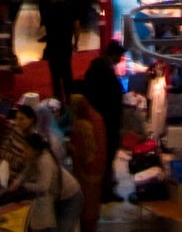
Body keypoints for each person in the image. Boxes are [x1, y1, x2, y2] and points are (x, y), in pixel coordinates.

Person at [79, 43, 126, 204]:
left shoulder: (100, 68)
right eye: (120, 56)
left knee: (106, 156)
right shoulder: (102, 70)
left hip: (105, 120)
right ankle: (105, 191)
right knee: (106, 155)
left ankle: (106, 189)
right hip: (106, 121)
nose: (121, 59)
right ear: (114, 54)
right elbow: (106, 96)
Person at [66, 92, 108, 232]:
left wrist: (70, 147)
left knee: (86, 203)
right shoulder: (96, 117)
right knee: (92, 201)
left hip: (86, 170)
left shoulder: (83, 123)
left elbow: (82, 149)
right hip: (98, 167)